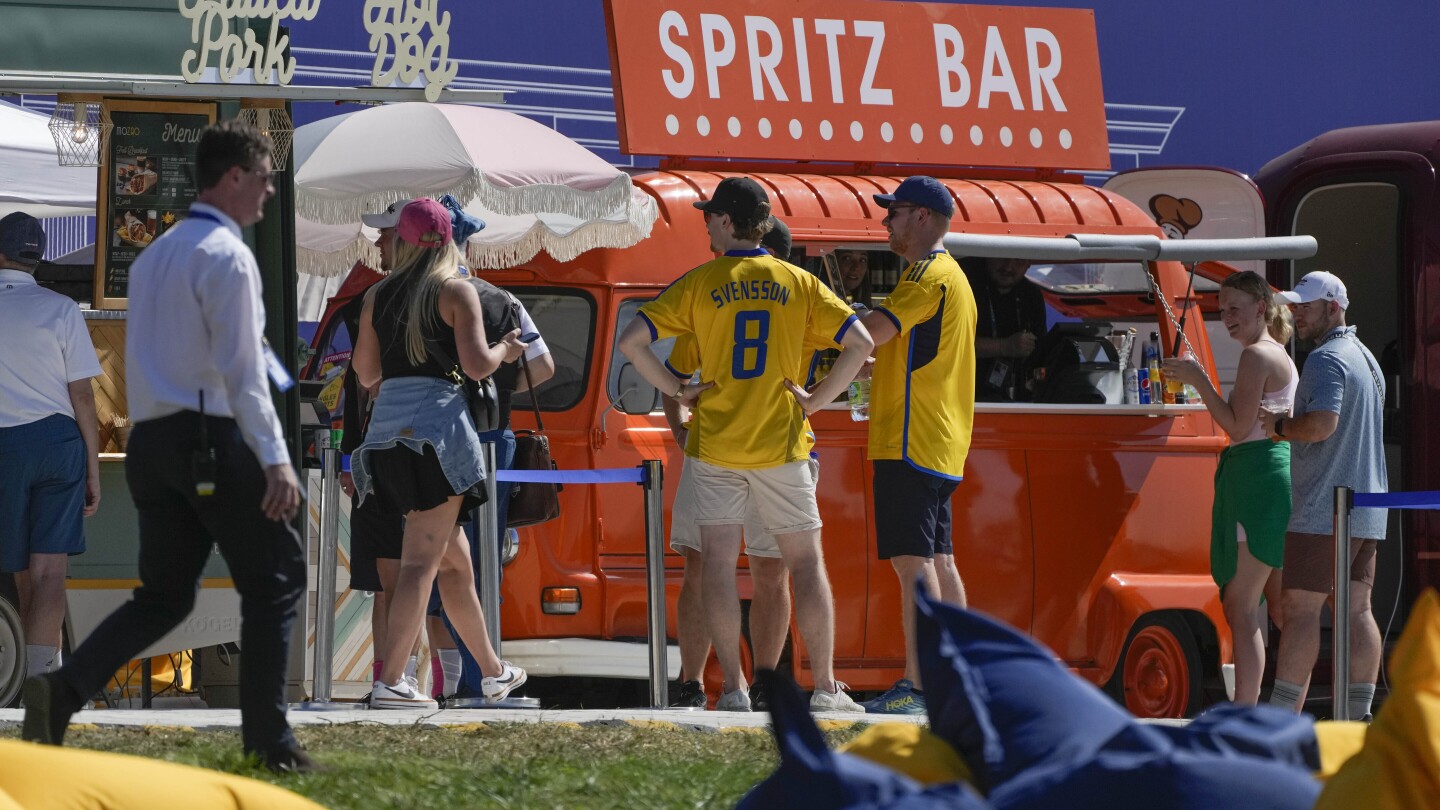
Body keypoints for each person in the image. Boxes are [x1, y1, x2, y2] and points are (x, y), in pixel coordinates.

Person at [22, 121, 315, 772]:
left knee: (163, 596)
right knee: (277, 581)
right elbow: (243, 369)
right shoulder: (228, 255)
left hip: (154, 439)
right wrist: (275, 459)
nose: (270, 191)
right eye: (266, 177)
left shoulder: (155, 253)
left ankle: (61, 691)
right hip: (209, 435)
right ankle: (270, 743)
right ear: (234, 177)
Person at [619, 177, 871, 713]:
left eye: (710, 215)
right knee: (803, 564)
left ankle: (732, 689)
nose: (706, 222)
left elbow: (631, 343)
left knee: (715, 565)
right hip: (781, 444)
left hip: (714, 446)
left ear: (728, 222)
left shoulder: (700, 281)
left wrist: (677, 390)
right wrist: (816, 400)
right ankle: (824, 688)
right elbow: (862, 342)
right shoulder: (798, 282)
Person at [350, 198, 528, 709]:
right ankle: (391, 684)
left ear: (401, 241)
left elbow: (366, 375)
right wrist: (506, 352)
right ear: (450, 240)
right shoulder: (456, 291)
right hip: (437, 438)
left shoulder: (377, 296)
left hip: (384, 439)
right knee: (420, 565)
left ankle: (493, 673)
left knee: (454, 567)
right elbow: (476, 367)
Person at [663, 215, 797, 710]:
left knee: (737, 568)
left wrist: (681, 424)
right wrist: (680, 428)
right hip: (757, 453)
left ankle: (741, 685)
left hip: (742, 453)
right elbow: (675, 380)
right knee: (740, 568)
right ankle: (701, 682)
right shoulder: (797, 298)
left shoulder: (721, 295)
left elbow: (670, 377)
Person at [857, 176, 976, 715]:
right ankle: (954, 678)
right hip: (940, 441)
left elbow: (872, 331)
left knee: (914, 565)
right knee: (940, 562)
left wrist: (825, 326)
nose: (886, 222)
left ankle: (921, 686)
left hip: (910, 438)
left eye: (894, 212)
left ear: (923, 217)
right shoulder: (955, 277)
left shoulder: (927, 275)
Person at [1162, 270, 1296, 705]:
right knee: (1261, 607)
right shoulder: (1273, 351)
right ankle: (1259, 709)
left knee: (1242, 606)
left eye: (1235, 308)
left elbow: (1238, 429)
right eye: (1223, 309)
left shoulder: (1257, 355)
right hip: (1258, 476)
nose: (1227, 317)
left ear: (1261, 307)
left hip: (1257, 477)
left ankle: (1248, 711)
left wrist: (1198, 379)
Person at [1258, 271, 1387, 720]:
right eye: (1294, 306)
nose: (1296, 314)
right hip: (1366, 505)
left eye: (1305, 307)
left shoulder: (1326, 359)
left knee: (1298, 609)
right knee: (1355, 609)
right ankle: (1358, 715)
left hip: (1324, 508)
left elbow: (1321, 425)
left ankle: (1278, 719)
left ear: (1333, 307)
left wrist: (1277, 427)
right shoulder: (1366, 358)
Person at [0, 212, 102, 683]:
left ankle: (18, 676)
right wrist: (93, 470)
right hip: (60, 444)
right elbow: (82, 396)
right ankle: (41, 681)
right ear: (38, 259)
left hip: (6, 448)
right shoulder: (61, 309)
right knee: (48, 574)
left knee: (21, 573)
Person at [970, 257, 1046, 401]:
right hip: (966, 399)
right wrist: (1004, 346)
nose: (1008, 267)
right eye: (1002, 257)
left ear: (1030, 263)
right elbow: (949, 344)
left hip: (1016, 400)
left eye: (1018, 260)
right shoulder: (966, 285)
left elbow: (1041, 351)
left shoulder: (1032, 295)